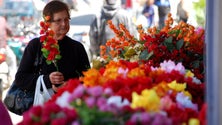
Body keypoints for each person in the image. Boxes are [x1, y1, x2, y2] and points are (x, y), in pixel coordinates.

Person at [14, 0, 90, 94]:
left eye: (66, 19)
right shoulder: (36, 45)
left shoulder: (77, 47)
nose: (64, 24)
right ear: (48, 23)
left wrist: (71, 85)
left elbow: (88, 78)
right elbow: (20, 79)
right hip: (41, 105)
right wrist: (47, 80)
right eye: (58, 21)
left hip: (71, 103)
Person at [0, 16, 17, 89]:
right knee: (12, 60)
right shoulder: (2, 19)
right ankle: (12, 81)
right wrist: (12, 35)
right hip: (2, 48)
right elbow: (10, 31)